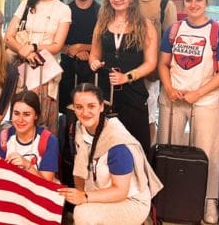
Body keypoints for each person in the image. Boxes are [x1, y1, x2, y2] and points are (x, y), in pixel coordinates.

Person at [157, 0, 219, 224]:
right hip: (174, 98)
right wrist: (169, 88)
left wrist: (198, 93)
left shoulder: (218, 32)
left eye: (198, 0)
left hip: (205, 100)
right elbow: (163, 64)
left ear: (206, 2)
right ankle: (167, 195)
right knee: (168, 146)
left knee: (207, 150)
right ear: (183, 3)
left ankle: (209, 200)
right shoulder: (174, 29)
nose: (193, 4)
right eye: (189, 0)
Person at [58, 83, 162, 225]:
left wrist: (85, 197)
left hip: (130, 201)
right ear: (73, 108)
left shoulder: (116, 142)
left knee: (83, 214)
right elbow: (79, 170)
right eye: (79, 107)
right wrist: (80, 196)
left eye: (91, 106)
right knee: (81, 209)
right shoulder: (78, 129)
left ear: (101, 106)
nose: (85, 112)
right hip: (100, 192)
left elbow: (121, 191)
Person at [88, 0, 157, 156]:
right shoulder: (102, 22)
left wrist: (127, 77)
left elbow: (151, 63)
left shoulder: (145, 25)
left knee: (135, 144)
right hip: (104, 91)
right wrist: (94, 62)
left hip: (132, 91)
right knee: (104, 144)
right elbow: (94, 54)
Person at [4, 0, 71, 135]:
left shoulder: (63, 9)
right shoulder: (26, 4)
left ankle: (44, 156)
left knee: (43, 119)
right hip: (21, 68)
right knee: (20, 114)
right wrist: (23, 50)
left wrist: (33, 47)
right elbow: (8, 37)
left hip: (46, 72)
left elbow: (57, 45)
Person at [136, 0, 178, 146]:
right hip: (125, 66)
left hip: (150, 71)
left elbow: (169, 43)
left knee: (148, 117)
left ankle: (148, 155)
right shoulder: (126, 0)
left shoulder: (165, 5)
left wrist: (157, 71)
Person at [0, 91, 59, 181]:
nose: (20, 120)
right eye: (16, 113)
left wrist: (27, 165)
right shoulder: (3, 137)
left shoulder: (49, 140)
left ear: (36, 115)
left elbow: (47, 184)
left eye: (26, 114)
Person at [59, 0, 100, 112]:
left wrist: (81, 47)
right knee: (66, 115)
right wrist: (72, 51)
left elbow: (105, 45)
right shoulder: (64, 11)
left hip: (92, 74)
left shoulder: (101, 13)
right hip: (67, 72)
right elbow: (57, 44)